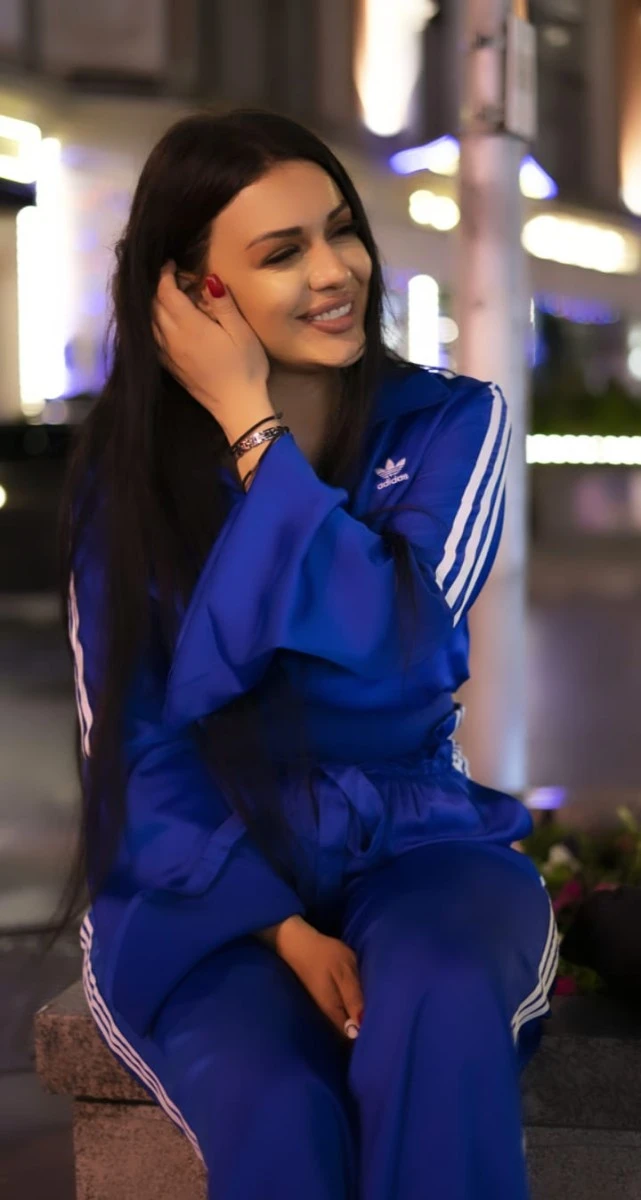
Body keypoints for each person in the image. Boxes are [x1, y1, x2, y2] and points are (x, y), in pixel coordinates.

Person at [61, 109, 559, 1200]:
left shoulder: (447, 424)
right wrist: (279, 928)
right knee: (279, 1107)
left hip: (416, 843)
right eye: (282, 252)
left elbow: (399, 649)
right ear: (194, 292)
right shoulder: (127, 479)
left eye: (340, 230)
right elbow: (134, 750)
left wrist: (253, 430)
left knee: (436, 1007)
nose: (336, 271)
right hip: (204, 875)